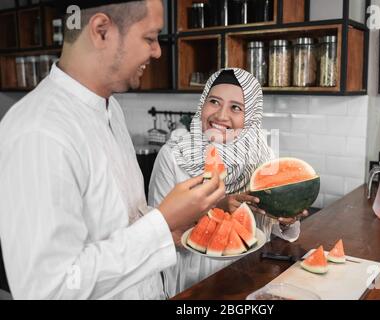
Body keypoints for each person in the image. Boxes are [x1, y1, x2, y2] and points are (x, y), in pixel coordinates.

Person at [0, 0, 225, 300]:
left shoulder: (111, 109)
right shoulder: (38, 132)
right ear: (102, 30)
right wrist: (161, 223)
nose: (157, 51)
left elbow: (117, 225)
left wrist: (168, 230)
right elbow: (50, 289)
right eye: (149, 37)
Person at [148, 68, 302, 299]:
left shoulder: (264, 157)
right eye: (214, 101)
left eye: (236, 108)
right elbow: (155, 235)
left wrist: (288, 219)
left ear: (251, 117)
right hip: (191, 286)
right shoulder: (173, 155)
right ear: (203, 104)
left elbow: (282, 231)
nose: (221, 115)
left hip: (252, 280)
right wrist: (215, 210)